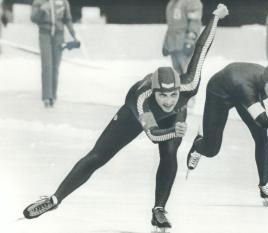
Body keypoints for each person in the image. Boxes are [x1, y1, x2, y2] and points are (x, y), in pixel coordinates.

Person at [22, 4, 229, 230]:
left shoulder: (189, 85)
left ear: (180, 89)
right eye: (163, 96)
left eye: (173, 94)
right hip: (135, 116)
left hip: (173, 119)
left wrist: (215, 17)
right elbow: (153, 134)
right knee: (98, 155)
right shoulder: (140, 98)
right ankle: (54, 199)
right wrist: (174, 131)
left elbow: (201, 48)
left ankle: (158, 209)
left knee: (170, 155)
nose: (169, 100)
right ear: (154, 91)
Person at [186, 62, 268, 206]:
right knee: (211, 150)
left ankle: (264, 185)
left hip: (242, 90)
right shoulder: (247, 87)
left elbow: (262, 123)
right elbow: (263, 120)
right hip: (220, 93)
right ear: (265, 81)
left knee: (261, 136)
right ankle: (198, 144)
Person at [31, 0, 79, 108]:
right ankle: (47, 97)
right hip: (45, 34)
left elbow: (67, 19)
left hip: (59, 35)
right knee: (47, 65)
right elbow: (33, 18)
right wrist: (42, 10)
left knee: (55, 66)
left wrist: (73, 34)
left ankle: (53, 96)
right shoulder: (39, 1)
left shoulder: (63, 2)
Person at [162, 0, 203, 75]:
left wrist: (189, 41)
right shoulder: (172, 3)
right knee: (176, 73)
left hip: (184, 45)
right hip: (173, 45)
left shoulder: (192, 2)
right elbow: (171, 26)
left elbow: (195, 22)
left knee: (187, 72)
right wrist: (166, 44)